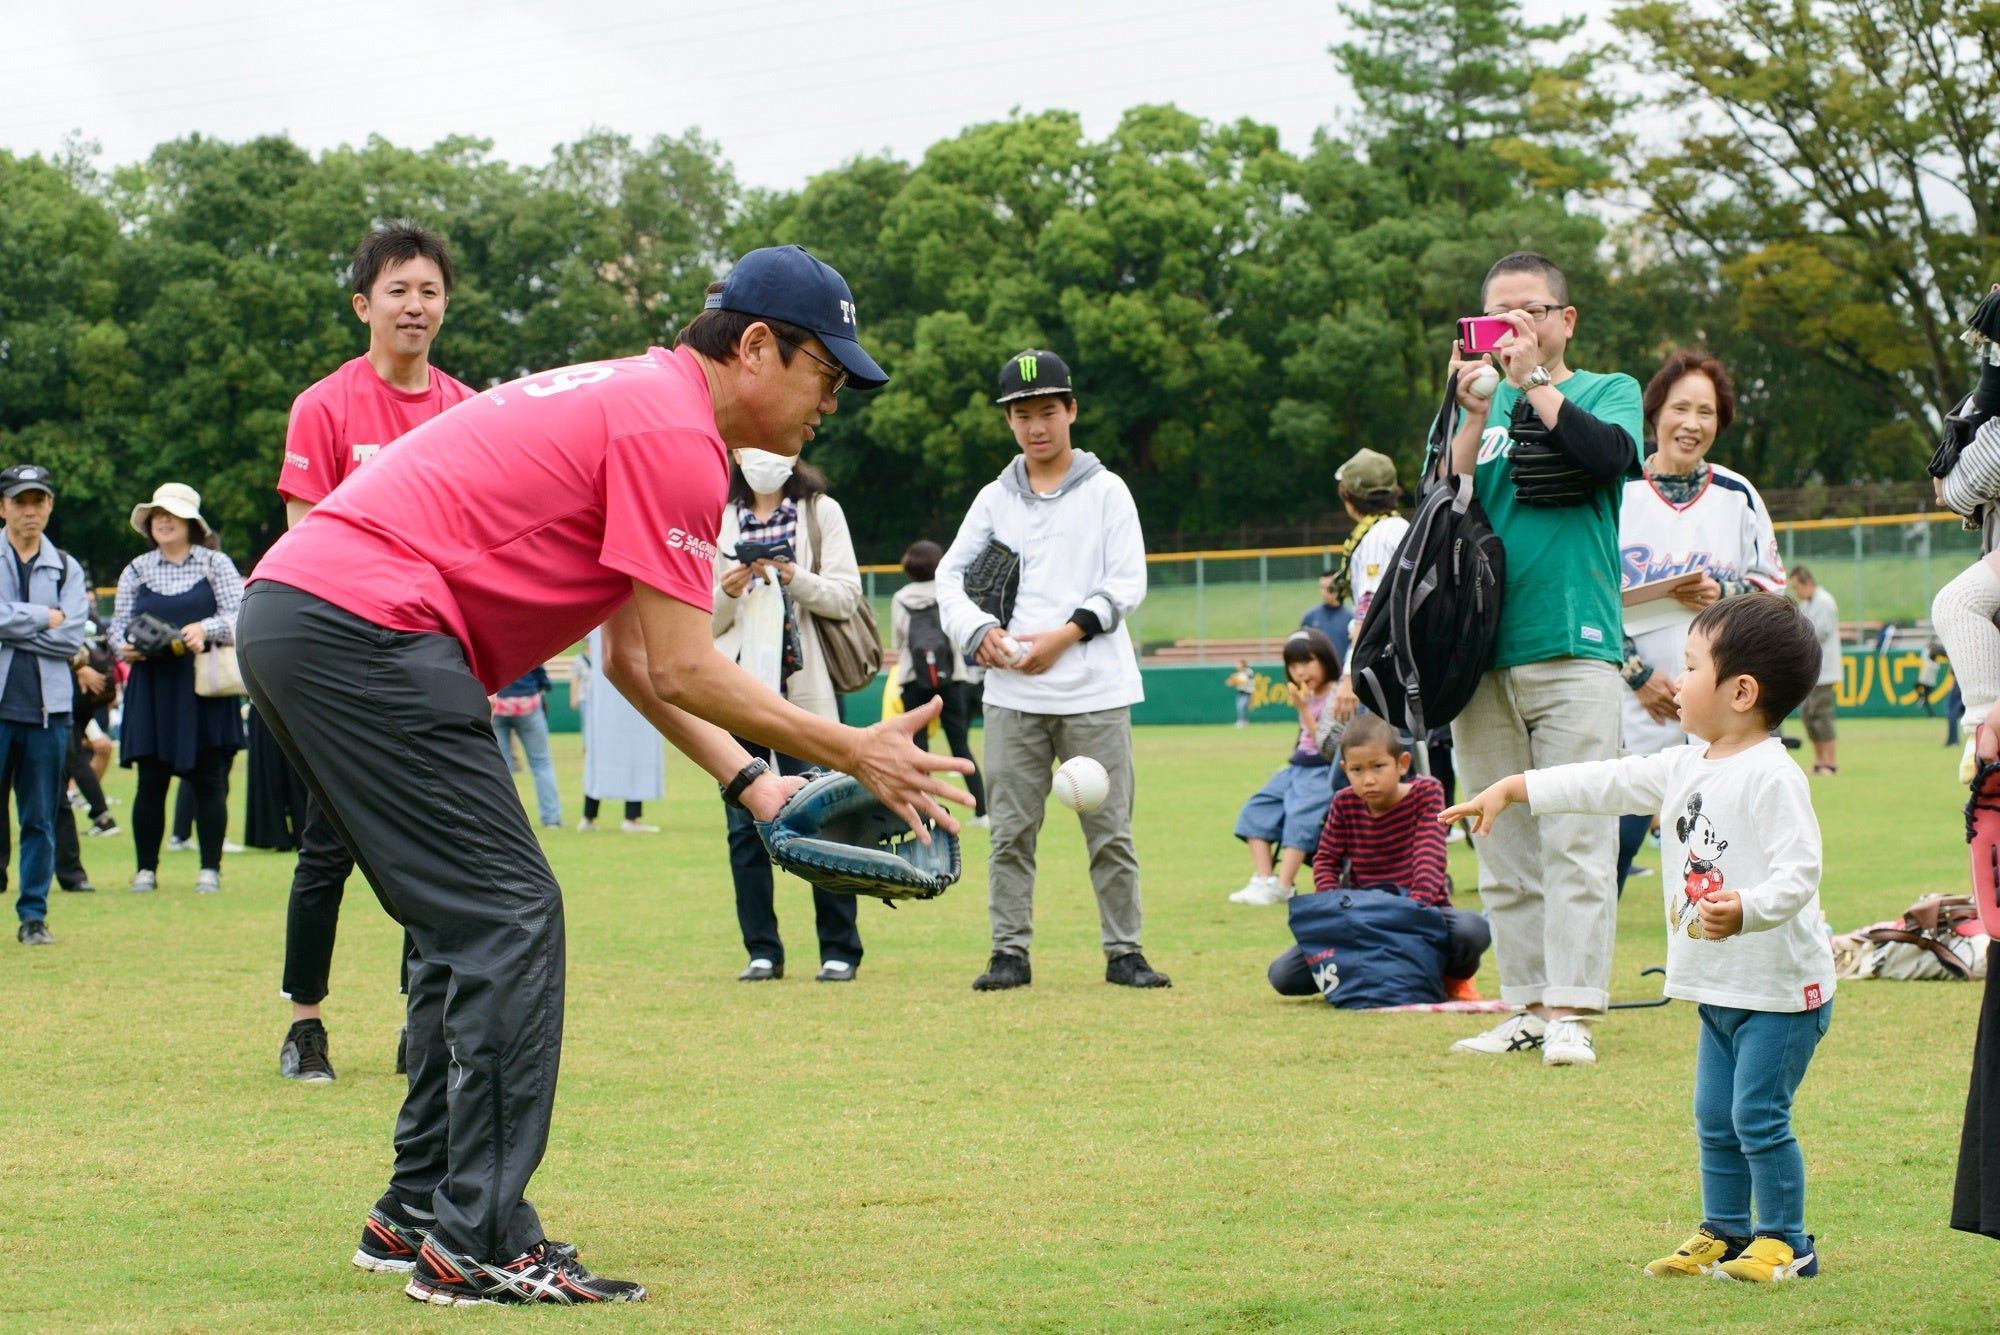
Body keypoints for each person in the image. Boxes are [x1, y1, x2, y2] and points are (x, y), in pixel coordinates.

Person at [238, 244, 970, 1305]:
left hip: (311, 618)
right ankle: (477, 1239)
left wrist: (753, 786)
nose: (832, 402)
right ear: (757, 346)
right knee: (508, 916)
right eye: (827, 373)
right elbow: (681, 663)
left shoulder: (648, 406)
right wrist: (852, 745)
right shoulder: (672, 434)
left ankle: (419, 1213)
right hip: (368, 629)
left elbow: (633, 658)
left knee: (469, 922)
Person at [1442, 592, 1833, 1281]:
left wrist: (1748, 906)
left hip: (1779, 991)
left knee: (1758, 1117)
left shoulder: (1775, 774)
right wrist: (1514, 785)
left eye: (1688, 666)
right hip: (1719, 985)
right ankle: (1724, 1228)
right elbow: (1605, 780)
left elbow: (1800, 872)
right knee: (1714, 1115)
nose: (1674, 681)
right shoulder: (1687, 762)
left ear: (1741, 690)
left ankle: (1786, 1240)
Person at [274, 223, 475, 1085]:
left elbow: (476, 539)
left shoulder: (466, 408)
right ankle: (304, 1023)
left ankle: (419, 1023)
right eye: (398, 290)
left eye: (429, 291)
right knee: (329, 849)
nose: (415, 306)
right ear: (364, 304)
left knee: (431, 848)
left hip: (429, 658)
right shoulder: (326, 405)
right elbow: (300, 540)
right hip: (339, 658)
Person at [1438, 251, 1644, 1067]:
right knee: (1504, 843)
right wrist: (1467, 415)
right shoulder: (1478, 405)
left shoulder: (1605, 389)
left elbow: (1606, 458)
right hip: (1479, 654)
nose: (1514, 328)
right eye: (1498, 316)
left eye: (1530, 311)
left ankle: (1572, 1011)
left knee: (1579, 839)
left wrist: (1532, 384)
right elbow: (1445, 504)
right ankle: (1522, 1003)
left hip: (1574, 643)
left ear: (1565, 319)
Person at [936, 348, 1165, 992]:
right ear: (1009, 422)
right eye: (1022, 415)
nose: (1036, 427)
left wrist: (1063, 638)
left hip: (1094, 688)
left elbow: (1127, 583)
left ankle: (1125, 952)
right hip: (1012, 693)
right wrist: (979, 631)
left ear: (1071, 411)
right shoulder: (992, 499)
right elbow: (948, 578)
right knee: (1010, 832)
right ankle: (1009, 953)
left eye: (1047, 412)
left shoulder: (1107, 490)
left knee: (1110, 832)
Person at [1614, 351, 1784, 891]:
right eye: (1680, 408)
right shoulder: (1618, 490)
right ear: (1655, 412)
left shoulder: (1737, 494)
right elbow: (1590, 594)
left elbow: (1774, 591)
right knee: (1615, 833)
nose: (1692, 424)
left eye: (1707, 412)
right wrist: (1637, 675)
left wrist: (1723, 590)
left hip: (1720, 698)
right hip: (1634, 695)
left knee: (1714, 841)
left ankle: (1709, 955)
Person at [710, 450, 868, 981]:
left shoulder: (822, 512)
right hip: (738, 691)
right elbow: (696, 619)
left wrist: (792, 575)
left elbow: (847, 598)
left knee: (825, 815)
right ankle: (761, 949)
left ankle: (839, 949)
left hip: (807, 692)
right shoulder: (716, 513)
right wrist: (729, 592)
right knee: (743, 824)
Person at [1266, 713, 1489, 997]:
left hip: (1422, 912)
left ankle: (1453, 978)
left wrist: (1411, 912)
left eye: (1378, 767)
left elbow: (1429, 860)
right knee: (1283, 975)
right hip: (1363, 915)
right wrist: (1334, 909)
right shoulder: (1344, 802)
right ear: (1345, 770)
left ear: (1402, 764)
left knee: (1472, 930)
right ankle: (1368, 973)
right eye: (1357, 771)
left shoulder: (1427, 792)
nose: (1368, 779)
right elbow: (1325, 860)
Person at [108, 484, 244, 897]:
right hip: (152, 688)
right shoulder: (137, 568)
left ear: (191, 523)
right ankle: (145, 870)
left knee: (210, 782)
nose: (163, 520)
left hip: (203, 686)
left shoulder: (214, 563)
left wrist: (207, 628)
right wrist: (125, 647)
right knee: (150, 783)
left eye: (172, 514)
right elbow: (116, 628)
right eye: (156, 514)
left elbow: (240, 616)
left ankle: (210, 869)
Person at [0, 466, 87, 945]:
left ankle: (33, 916)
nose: (30, 510)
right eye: (20, 501)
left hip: (48, 712)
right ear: (3, 507)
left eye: (39, 500)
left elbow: (72, 635)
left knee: (39, 818)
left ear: (50, 506)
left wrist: (13, 625)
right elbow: (55, 630)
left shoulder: (68, 567)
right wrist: (42, 619)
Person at [1228, 629, 1341, 906]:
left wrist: (1303, 709)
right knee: (1257, 808)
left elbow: (1328, 748)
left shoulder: (1340, 694)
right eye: (1293, 665)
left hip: (1323, 770)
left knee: (1300, 815)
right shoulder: (1307, 693)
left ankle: (1283, 885)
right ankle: (1265, 879)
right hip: (1297, 767)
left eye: (1307, 662)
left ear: (1325, 660)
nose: (1300, 671)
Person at [892, 540, 987, 817]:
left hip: (913, 681)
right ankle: (982, 811)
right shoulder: (948, 592)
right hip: (952, 679)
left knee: (917, 750)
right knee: (960, 746)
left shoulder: (900, 598)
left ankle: (925, 811)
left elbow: (899, 640)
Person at [1326, 448, 1411, 725]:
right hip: (1403, 668)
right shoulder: (1401, 526)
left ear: (1347, 496)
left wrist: (1351, 675)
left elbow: (1368, 610)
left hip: (1380, 672)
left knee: (1359, 763)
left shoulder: (1377, 537)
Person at [573, 626, 664, 831]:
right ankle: (595, 816)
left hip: (626, 690)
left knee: (627, 751)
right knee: (610, 753)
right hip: (616, 690)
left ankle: (615, 816)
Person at [491, 666, 561, 830]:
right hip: (528, 701)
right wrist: (544, 685)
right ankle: (551, 818)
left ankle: (502, 819)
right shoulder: (524, 640)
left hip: (498, 703)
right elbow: (539, 670)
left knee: (500, 766)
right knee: (541, 763)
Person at [1786, 566, 1840, 776]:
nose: (1796, 592)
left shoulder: (1824, 601)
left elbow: (1821, 633)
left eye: (1797, 587)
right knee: (1808, 716)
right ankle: (1819, 762)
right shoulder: (1807, 603)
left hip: (1825, 671)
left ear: (1808, 583)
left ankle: (1830, 763)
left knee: (1822, 715)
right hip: (1809, 670)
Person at [1300, 570, 1353, 663]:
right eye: (1321, 587)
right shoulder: (1310, 617)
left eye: (1328, 588)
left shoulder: (1351, 618)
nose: (1324, 592)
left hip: (1342, 674)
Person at [1225, 658, 1253, 728]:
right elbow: (1231, 683)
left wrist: (1234, 680)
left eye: (1238, 663)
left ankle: (1241, 721)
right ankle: (1244, 721)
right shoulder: (1238, 674)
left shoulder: (1248, 671)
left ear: (1243, 664)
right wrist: (1231, 682)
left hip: (1247, 693)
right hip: (1240, 693)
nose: (1237, 665)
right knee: (1240, 707)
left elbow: (1244, 680)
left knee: (1241, 706)